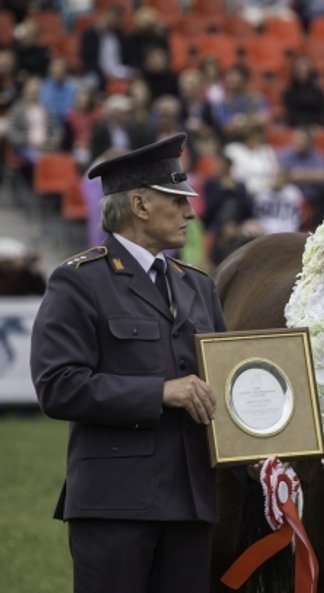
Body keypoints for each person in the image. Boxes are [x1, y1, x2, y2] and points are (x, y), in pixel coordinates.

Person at [30, 132, 227, 593]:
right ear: (139, 205)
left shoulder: (198, 286)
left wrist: (260, 451)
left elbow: (222, 384)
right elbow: (58, 385)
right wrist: (161, 391)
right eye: (177, 201)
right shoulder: (79, 281)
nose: (190, 212)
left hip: (191, 503)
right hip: (115, 505)